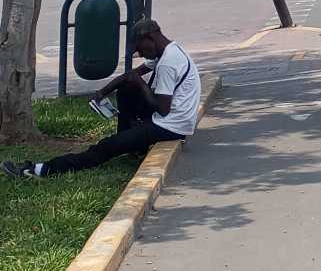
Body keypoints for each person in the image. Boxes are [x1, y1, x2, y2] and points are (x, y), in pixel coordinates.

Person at [4, 19, 201, 181]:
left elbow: (163, 109)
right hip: (170, 118)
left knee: (105, 147)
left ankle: (40, 169)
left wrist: (141, 84)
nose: (140, 54)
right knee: (126, 87)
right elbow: (130, 76)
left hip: (171, 126)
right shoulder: (168, 51)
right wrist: (103, 92)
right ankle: (132, 143)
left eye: (139, 49)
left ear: (150, 38)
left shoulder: (168, 63)